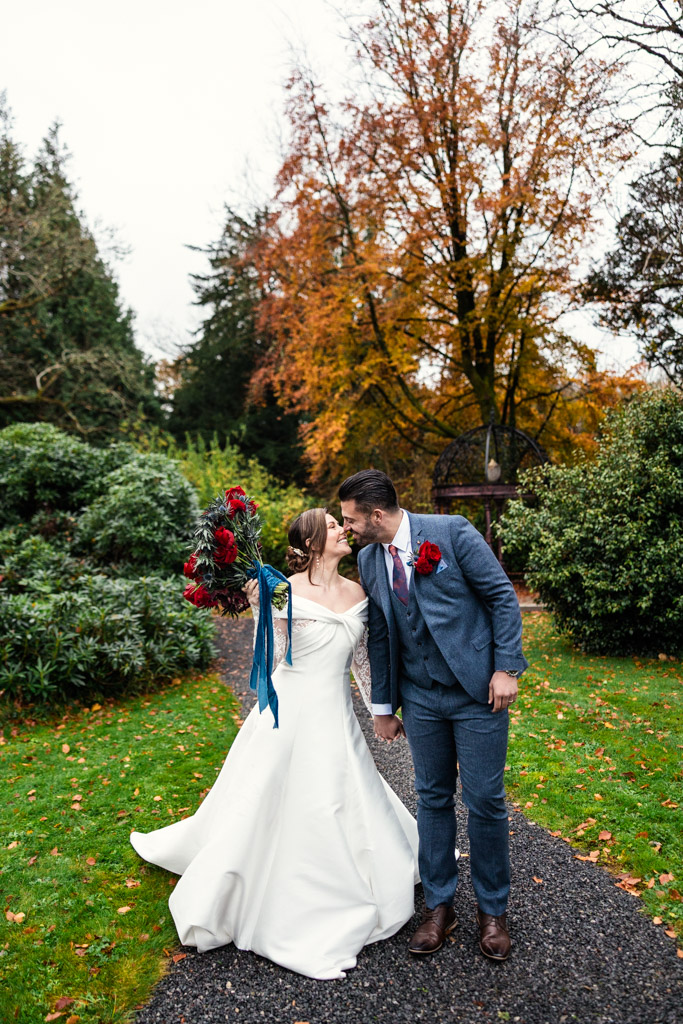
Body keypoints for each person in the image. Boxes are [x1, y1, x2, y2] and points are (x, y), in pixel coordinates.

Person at [130, 508, 419, 980]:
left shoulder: (360, 592)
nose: (342, 529)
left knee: (340, 794)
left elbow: (362, 663)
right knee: (270, 799)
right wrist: (259, 605)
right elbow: (274, 659)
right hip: (288, 711)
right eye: (331, 525)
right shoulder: (281, 589)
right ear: (309, 542)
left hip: (335, 715)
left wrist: (380, 712)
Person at [340, 470, 527, 961]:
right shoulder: (367, 559)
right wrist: (383, 707)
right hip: (420, 697)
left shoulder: (451, 533)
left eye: (351, 519)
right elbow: (380, 634)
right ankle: (440, 905)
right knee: (432, 797)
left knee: (485, 799)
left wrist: (507, 667)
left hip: (478, 694)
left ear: (376, 515)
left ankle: (493, 912)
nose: (348, 527)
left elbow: (501, 597)